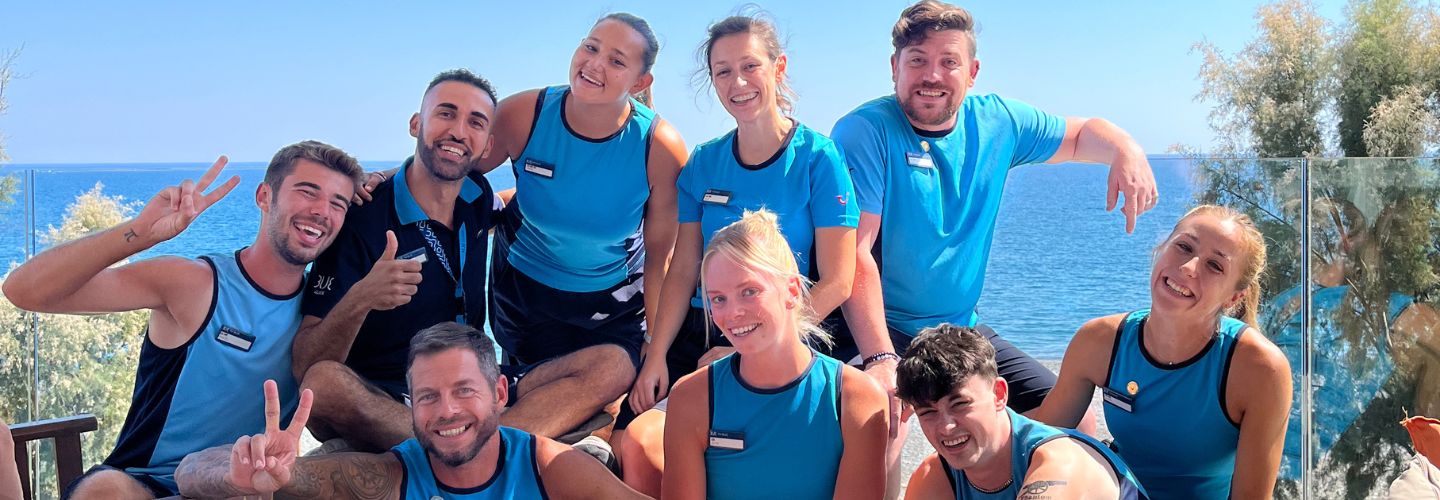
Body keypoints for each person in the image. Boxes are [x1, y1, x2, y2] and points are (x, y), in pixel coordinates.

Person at [828, 2, 1155, 493]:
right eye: (917, 59)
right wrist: (879, 360)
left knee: (1076, 428)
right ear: (894, 67)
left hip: (960, 328)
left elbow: (1082, 133)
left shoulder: (998, 121)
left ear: (972, 71)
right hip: (879, 327)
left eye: (949, 61)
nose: (932, 75)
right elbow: (855, 253)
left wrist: (1126, 149)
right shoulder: (865, 131)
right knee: (880, 424)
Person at [1, 143, 363, 498]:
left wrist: (385, 178)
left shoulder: (325, 318)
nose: (321, 211)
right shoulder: (195, 283)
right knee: (104, 490)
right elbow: (25, 291)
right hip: (145, 484)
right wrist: (139, 234)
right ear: (265, 196)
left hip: (240, 487)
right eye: (308, 192)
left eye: (338, 203)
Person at [615, 13, 860, 495]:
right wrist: (657, 355)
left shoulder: (818, 158)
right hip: (700, 326)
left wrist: (751, 345)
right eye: (723, 71)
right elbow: (683, 268)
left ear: (778, 67)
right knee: (631, 441)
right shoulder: (705, 162)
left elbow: (838, 280)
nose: (738, 82)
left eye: (750, 65)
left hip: (781, 329)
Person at [471, 12, 688, 443]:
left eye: (616, 61)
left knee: (614, 378)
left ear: (640, 83)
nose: (594, 64)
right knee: (547, 397)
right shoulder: (524, 114)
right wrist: (386, 180)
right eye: (590, 47)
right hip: (524, 296)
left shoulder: (659, 147)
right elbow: (450, 170)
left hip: (613, 305)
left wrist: (657, 351)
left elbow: (662, 259)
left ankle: (481, 453)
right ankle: (481, 456)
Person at [174, 322, 646, 500]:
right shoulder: (393, 476)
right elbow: (189, 472)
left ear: (500, 392)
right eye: (428, 397)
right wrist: (247, 470)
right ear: (411, 406)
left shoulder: (546, 465)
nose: (446, 411)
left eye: (464, 391)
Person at [291, 69, 503, 453]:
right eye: (445, 113)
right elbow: (305, 365)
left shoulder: (478, 196)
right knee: (322, 383)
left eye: (475, 122)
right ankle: (476, 449)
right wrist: (363, 296)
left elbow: (527, 201)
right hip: (387, 398)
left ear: (487, 146)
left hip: (468, 384)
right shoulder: (362, 216)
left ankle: (466, 444)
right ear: (416, 124)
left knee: (611, 363)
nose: (458, 131)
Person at [1033, 204, 1292, 498]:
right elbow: (1042, 443)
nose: (1188, 268)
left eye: (1214, 266)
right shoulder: (1099, 340)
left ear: (1234, 297)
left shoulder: (1260, 368)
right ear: (1161, 248)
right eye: (1183, 247)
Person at [662, 210, 888, 500]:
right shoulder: (691, 398)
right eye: (718, 298)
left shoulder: (858, 399)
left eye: (749, 291)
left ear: (792, 291)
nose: (732, 313)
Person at [899, 324, 1148, 499]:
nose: (946, 427)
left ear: (999, 394)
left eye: (960, 404)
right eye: (928, 413)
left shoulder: (1059, 461)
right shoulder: (936, 476)